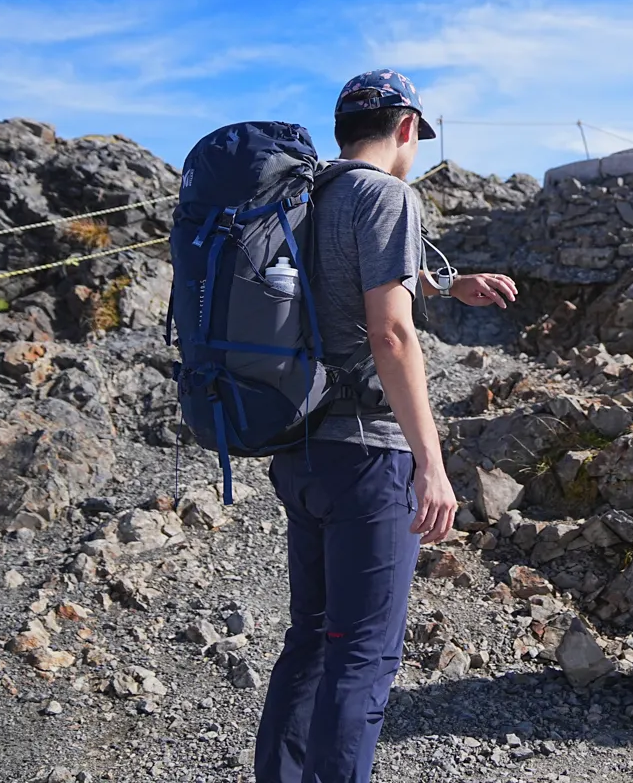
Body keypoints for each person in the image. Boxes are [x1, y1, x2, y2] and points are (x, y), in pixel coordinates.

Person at [255, 69, 518, 783]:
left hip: (301, 448)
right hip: (369, 461)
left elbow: (340, 280)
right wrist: (432, 464)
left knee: (310, 639)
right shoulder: (389, 194)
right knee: (364, 655)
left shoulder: (307, 197)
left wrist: (446, 280)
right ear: (407, 129)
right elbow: (390, 333)